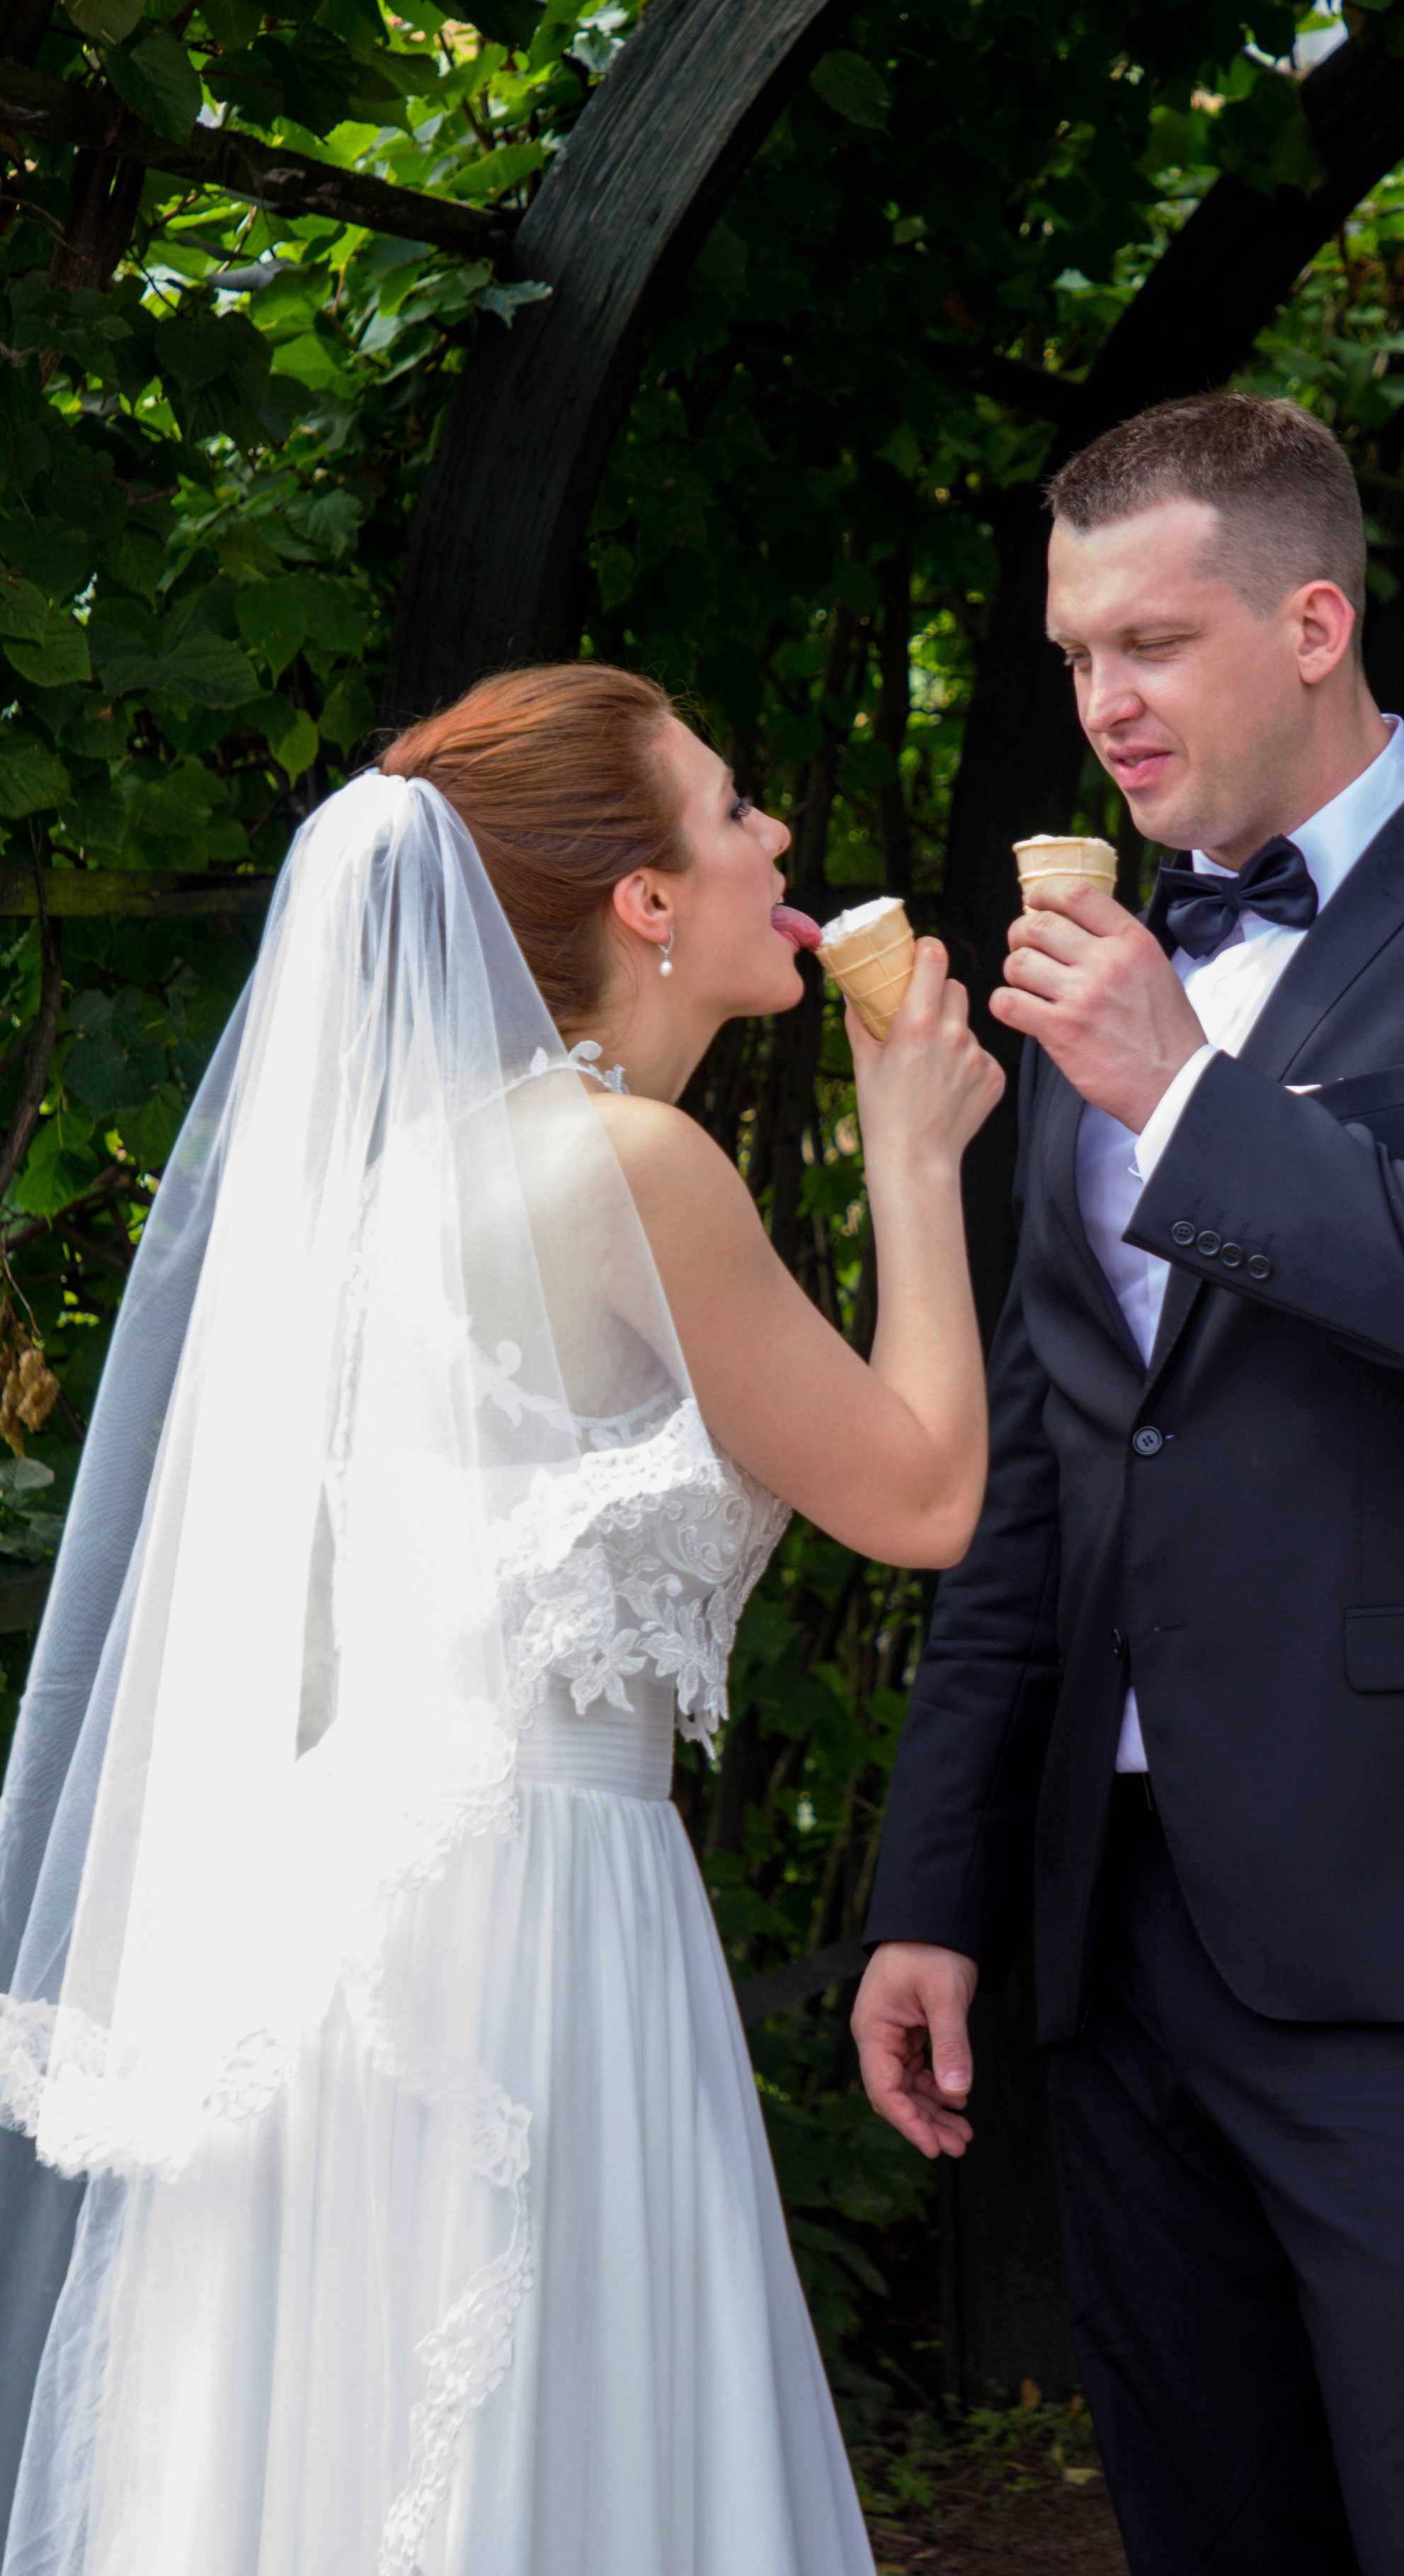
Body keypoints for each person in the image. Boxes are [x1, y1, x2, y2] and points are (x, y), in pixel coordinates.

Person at [0, 663, 1002, 2576]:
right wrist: (914, 1157)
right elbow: (926, 1495)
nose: (776, 840)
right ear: (643, 900)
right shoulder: (630, 1166)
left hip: (359, 1909)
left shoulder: (387, 1189)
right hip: (541, 1910)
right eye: (732, 812)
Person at [855, 391, 1404, 2575]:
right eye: (1072, 658)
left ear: (1316, 620)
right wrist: (937, 1882)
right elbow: (1059, 1471)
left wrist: (1178, 1089)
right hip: (1118, 1941)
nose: (1102, 706)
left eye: (1148, 645)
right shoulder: (1120, 972)